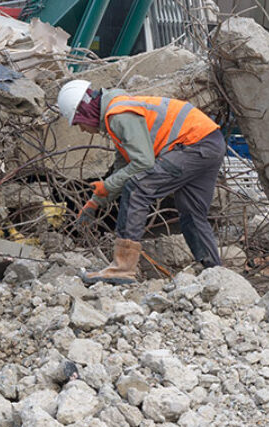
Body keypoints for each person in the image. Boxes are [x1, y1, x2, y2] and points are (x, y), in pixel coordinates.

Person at [53, 79, 226, 282]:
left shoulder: (119, 115)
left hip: (193, 144)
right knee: (192, 211)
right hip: (210, 142)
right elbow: (123, 168)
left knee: (137, 189)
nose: (81, 129)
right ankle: (214, 273)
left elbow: (143, 162)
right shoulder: (117, 110)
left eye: (77, 122)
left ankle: (122, 268)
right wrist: (95, 202)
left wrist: (107, 186)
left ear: (84, 111)